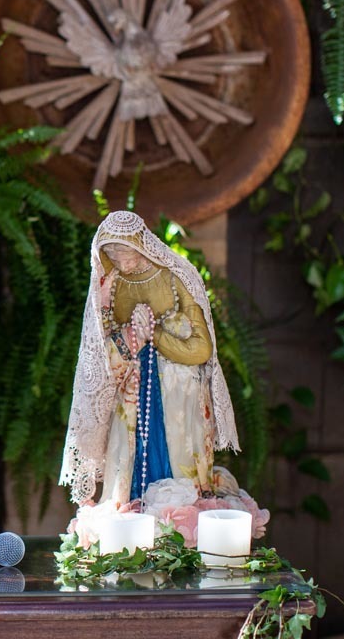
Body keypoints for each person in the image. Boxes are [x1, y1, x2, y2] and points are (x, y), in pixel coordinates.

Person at [60, 210, 240, 506]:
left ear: (140, 243)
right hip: (132, 398)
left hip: (178, 395)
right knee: (134, 463)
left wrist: (155, 336)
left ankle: (179, 522)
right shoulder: (113, 286)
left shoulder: (175, 277)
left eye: (123, 250)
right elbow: (101, 357)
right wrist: (117, 320)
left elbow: (201, 349)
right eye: (111, 253)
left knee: (177, 458)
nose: (119, 260)